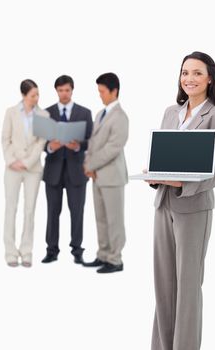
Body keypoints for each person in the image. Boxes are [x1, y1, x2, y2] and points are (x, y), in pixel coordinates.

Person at [146, 52, 215, 350]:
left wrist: (183, 182)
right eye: (185, 73)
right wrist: (154, 174)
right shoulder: (171, 112)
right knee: (164, 286)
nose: (189, 79)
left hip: (193, 208)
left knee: (188, 287)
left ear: (210, 78)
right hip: (163, 203)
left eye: (196, 73)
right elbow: (166, 156)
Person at [42, 75, 93, 264]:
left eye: (67, 90)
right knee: (52, 211)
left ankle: (77, 250)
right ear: (56, 91)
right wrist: (49, 146)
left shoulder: (84, 113)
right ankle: (51, 250)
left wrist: (78, 146)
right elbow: (38, 141)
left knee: (77, 211)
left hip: (76, 171)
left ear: (72, 90)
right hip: (53, 170)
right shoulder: (46, 113)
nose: (64, 94)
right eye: (60, 90)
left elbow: (91, 141)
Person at [83, 72, 129, 273]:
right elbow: (93, 143)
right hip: (98, 176)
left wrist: (91, 164)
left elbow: (113, 148)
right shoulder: (100, 114)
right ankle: (103, 255)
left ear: (114, 91)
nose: (100, 95)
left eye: (102, 91)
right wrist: (88, 165)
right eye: (98, 91)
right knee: (101, 219)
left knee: (114, 220)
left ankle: (115, 259)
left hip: (112, 176)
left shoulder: (120, 117)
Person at [2, 79, 49, 267]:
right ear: (23, 95)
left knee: (29, 210)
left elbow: (41, 142)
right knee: (10, 209)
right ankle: (10, 252)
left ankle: (26, 250)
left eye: (38, 94)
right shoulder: (11, 112)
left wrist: (27, 162)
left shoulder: (43, 115)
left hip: (33, 169)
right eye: (32, 95)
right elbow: (5, 138)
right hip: (12, 168)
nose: (36, 98)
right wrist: (12, 161)